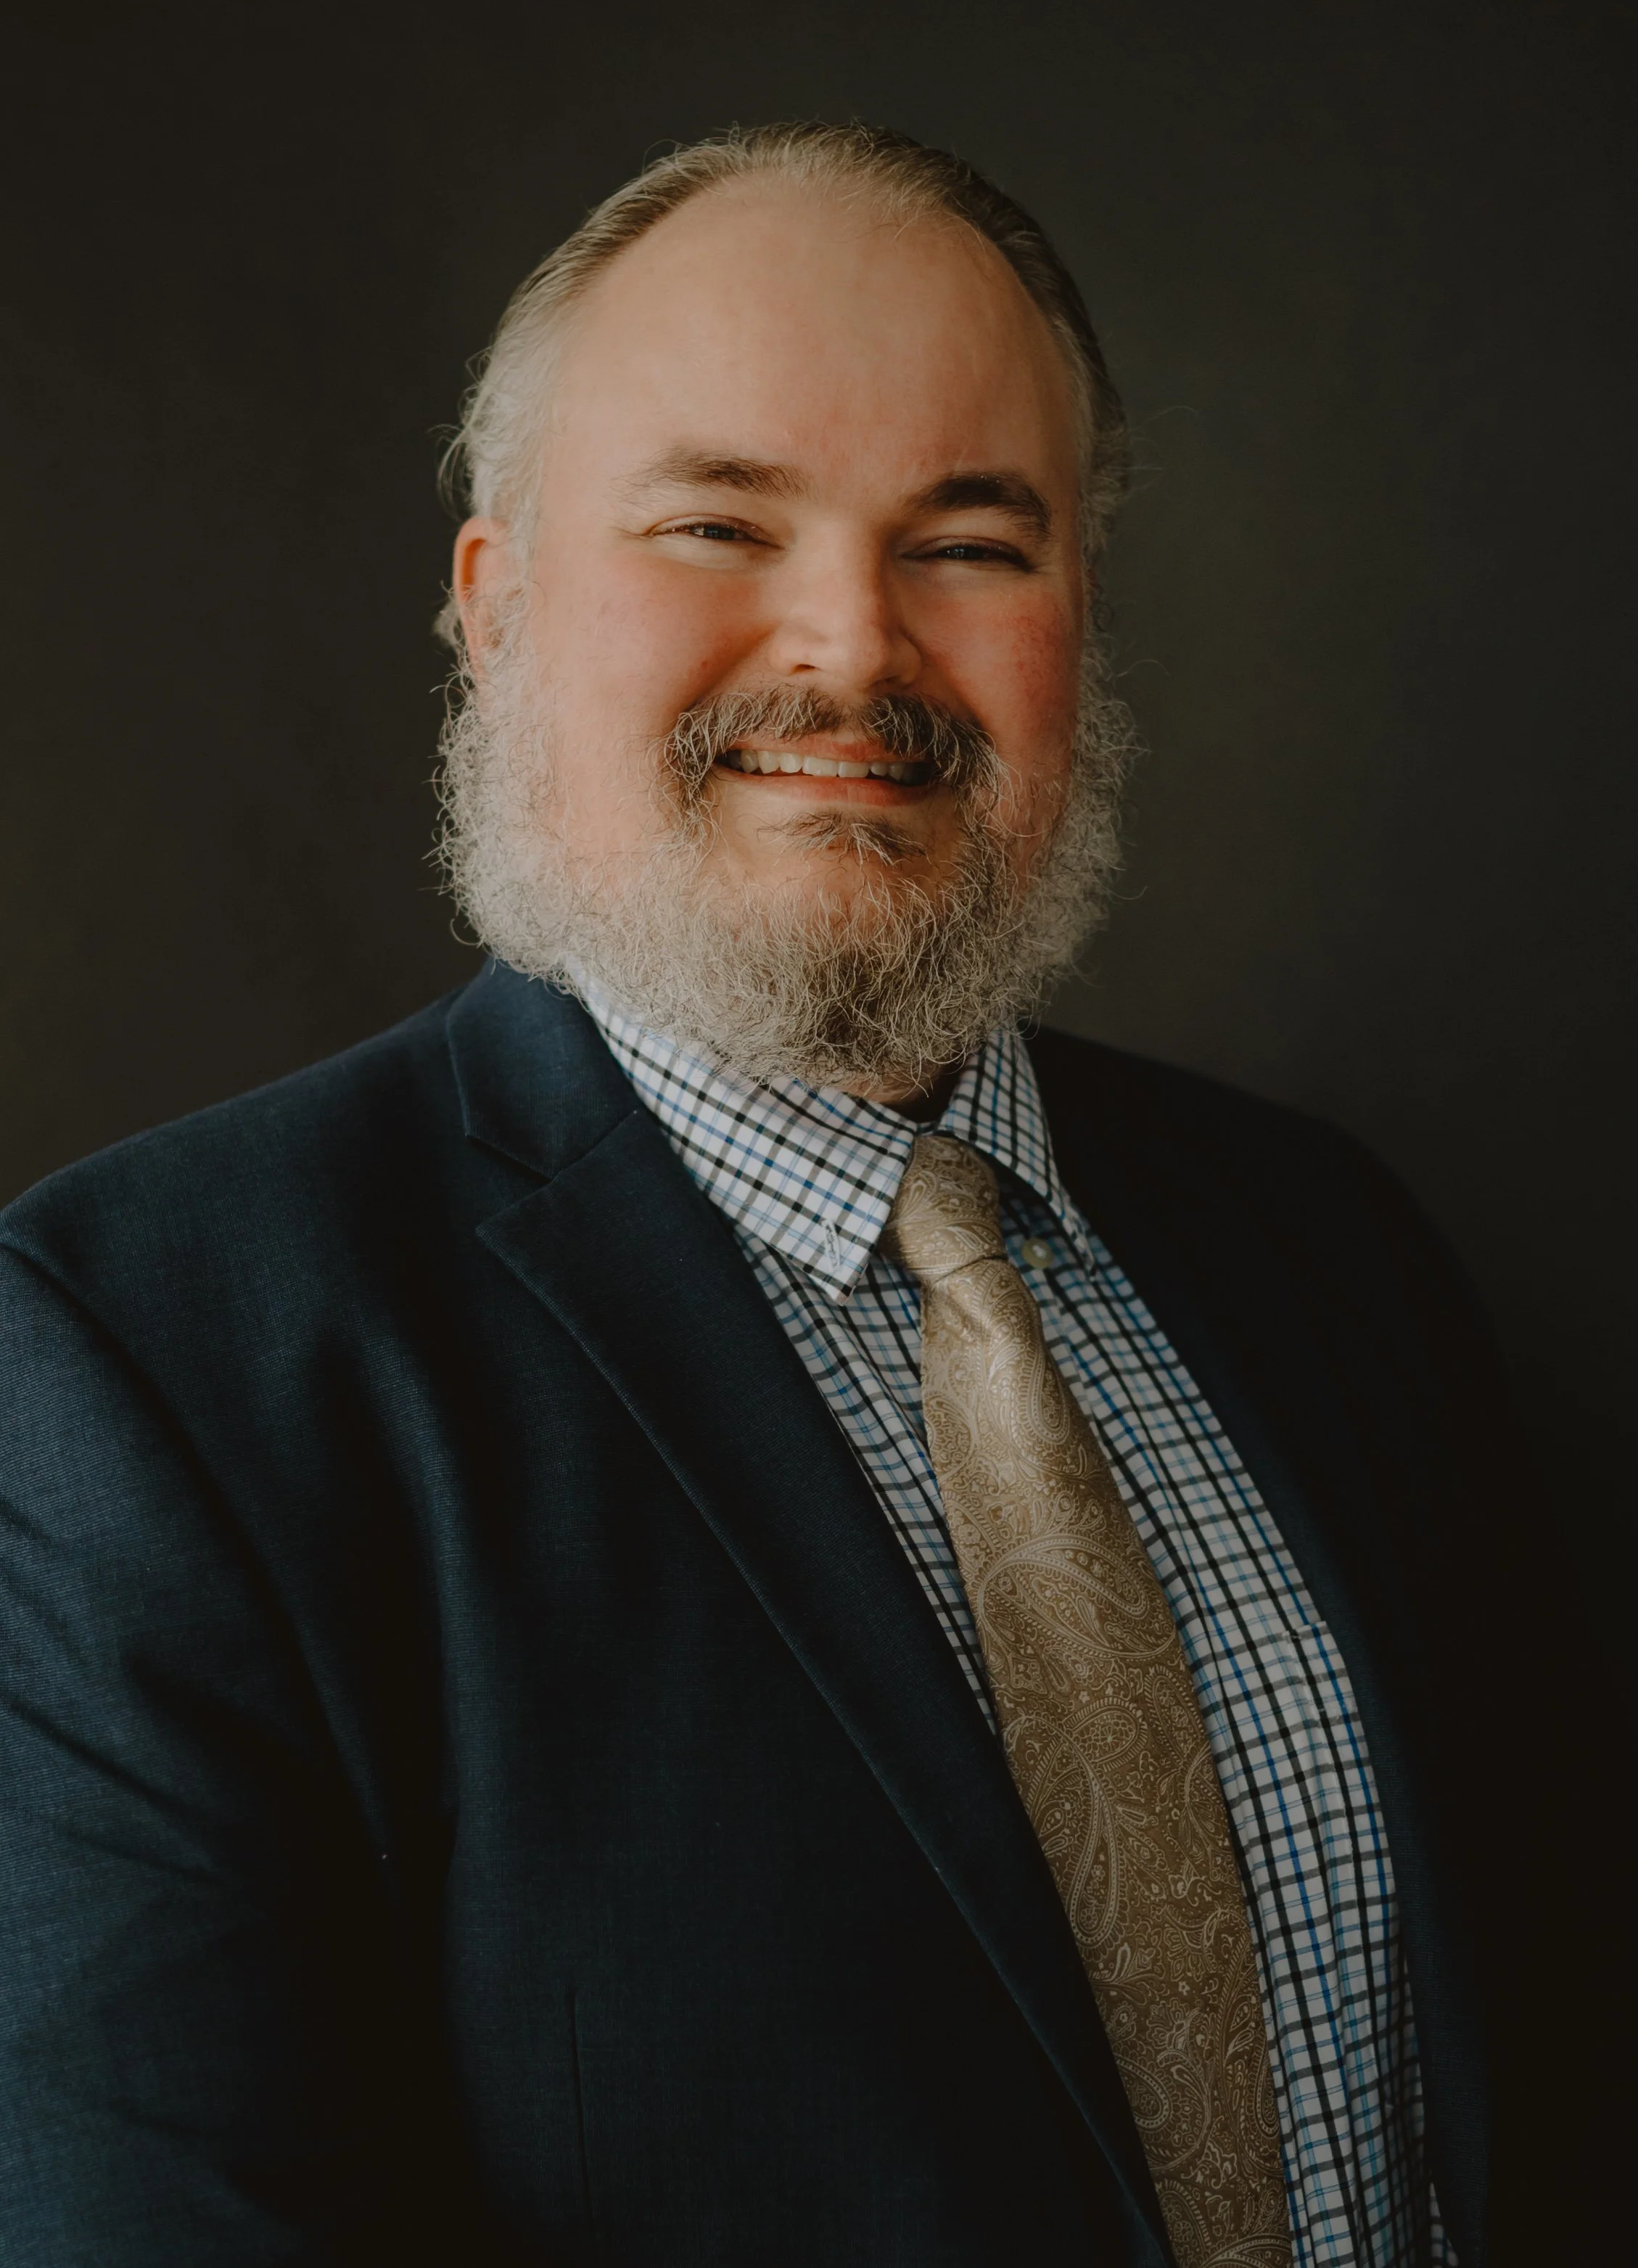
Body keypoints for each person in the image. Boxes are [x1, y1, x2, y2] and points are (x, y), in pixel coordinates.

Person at [0, 124, 1534, 2266]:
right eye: (718, 522)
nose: (853, 645)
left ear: (1080, 619)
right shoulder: (149, 1366)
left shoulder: (1329, 1249)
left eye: (974, 542)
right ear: (496, 598)